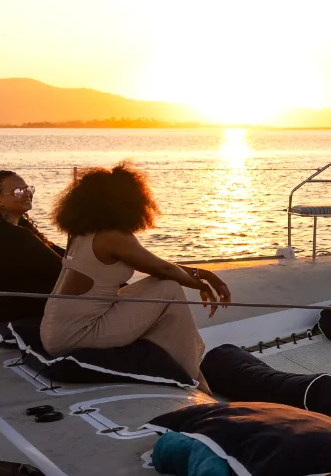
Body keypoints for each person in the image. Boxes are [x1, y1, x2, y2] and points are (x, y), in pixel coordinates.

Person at [40, 163, 231, 393]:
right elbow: (166, 271)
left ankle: (189, 372)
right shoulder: (113, 237)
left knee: (163, 292)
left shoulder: (83, 231)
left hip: (54, 331)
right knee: (169, 289)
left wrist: (203, 274)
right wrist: (202, 284)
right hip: (79, 334)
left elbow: (159, 266)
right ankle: (193, 377)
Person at [0, 170, 65, 321]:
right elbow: (62, 268)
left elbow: (58, 253)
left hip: (5, 309)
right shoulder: (9, 235)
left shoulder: (12, 228)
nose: (27, 194)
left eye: (28, 189)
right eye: (18, 191)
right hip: (19, 313)